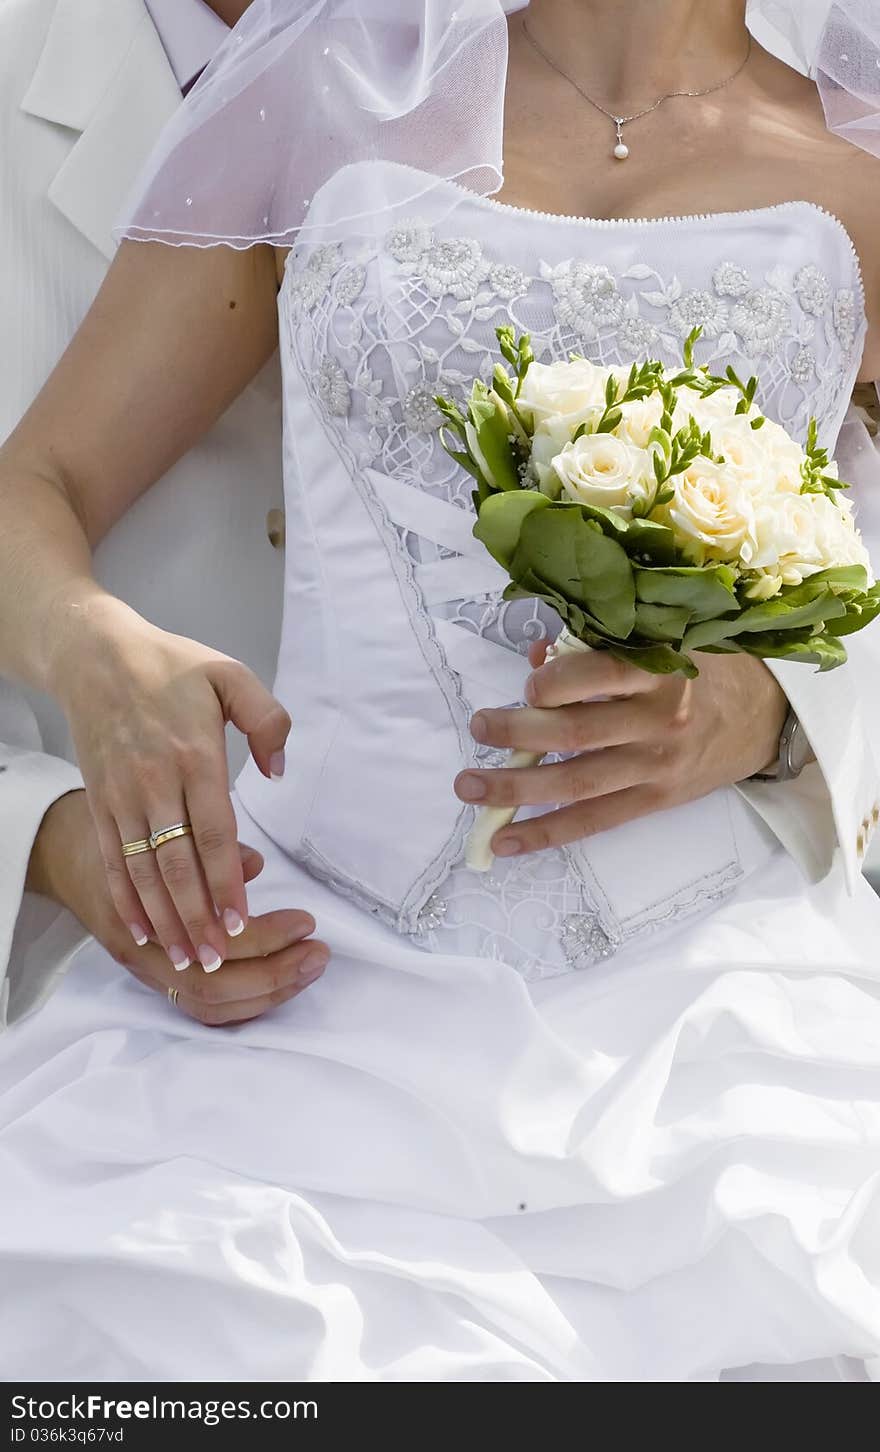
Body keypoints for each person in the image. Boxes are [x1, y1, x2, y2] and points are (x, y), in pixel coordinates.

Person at [0, 0, 879, 1382]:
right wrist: (94, 646)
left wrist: (772, 696)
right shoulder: (324, 84)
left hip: (715, 1021)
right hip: (307, 979)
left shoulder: (861, 157)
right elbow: (32, 487)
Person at [0, 0, 327, 1026]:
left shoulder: (573, 60)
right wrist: (48, 836)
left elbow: (809, 476)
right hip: (72, 1011)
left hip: (539, 979)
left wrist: (764, 715)